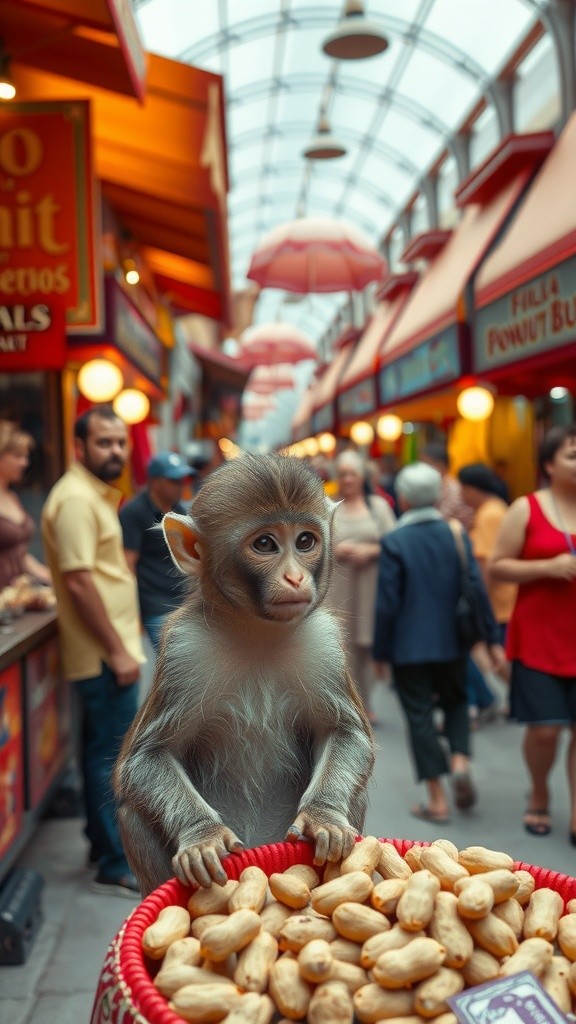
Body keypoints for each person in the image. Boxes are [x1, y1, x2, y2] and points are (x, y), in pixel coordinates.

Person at [41, 405, 145, 897]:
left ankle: (99, 845)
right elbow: (80, 583)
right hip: (106, 655)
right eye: (104, 442)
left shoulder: (92, 496)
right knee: (113, 756)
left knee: (103, 750)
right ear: (79, 447)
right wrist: (117, 650)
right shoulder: (78, 500)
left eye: (121, 442)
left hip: (112, 650)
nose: (116, 451)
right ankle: (114, 861)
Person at [373, 462, 504, 824]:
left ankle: (436, 799)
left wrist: (380, 652)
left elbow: (387, 604)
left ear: (403, 498)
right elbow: (476, 589)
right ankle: (460, 761)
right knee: (457, 700)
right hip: (452, 640)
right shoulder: (456, 532)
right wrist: (492, 639)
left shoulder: (395, 541)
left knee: (419, 717)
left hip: (407, 646)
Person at [490, 423, 576, 844]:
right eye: (572, 455)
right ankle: (539, 792)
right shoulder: (526, 507)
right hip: (539, 638)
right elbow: (498, 566)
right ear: (548, 463)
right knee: (545, 729)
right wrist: (547, 567)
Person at [324, 448, 396, 724]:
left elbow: (394, 543)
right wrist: (334, 548)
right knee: (341, 645)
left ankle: (365, 702)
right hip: (338, 587)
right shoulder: (327, 506)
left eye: (353, 473)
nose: (348, 479)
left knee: (367, 645)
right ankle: (347, 704)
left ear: (362, 475)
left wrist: (370, 551)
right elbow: (312, 544)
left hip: (370, 586)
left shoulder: (378, 507)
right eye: (343, 474)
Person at [458, 462, 517, 724]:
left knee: (489, 652)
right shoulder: (496, 508)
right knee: (492, 652)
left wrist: (478, 602)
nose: (461, 495)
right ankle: (510, 698)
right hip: (504, 597)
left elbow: (485, 561)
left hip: (497, 599)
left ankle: (515, 697)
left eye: (463, 489)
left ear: (472, 489)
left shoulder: (489, 514)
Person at [120, 451, 194, 652]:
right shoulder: (133, 512)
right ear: (154, 481)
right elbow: (128, 564)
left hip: (184, 601)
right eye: (173, 480)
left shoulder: (179, 510)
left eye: (182, 480)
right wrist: (132, 615)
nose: (180, 485)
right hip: (155, 604)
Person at [0, 420, 51, 590]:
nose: (25, 463)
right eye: (17, 456)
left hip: (17, 599)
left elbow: (21, 556)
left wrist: (53, 578)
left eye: (26, 456)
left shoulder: (12, 497)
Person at [421, 441, 474, 529]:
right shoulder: (438, 485)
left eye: (427, 465)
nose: (423, 470)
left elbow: (440, 518)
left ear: (442, 465)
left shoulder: (453, 488)